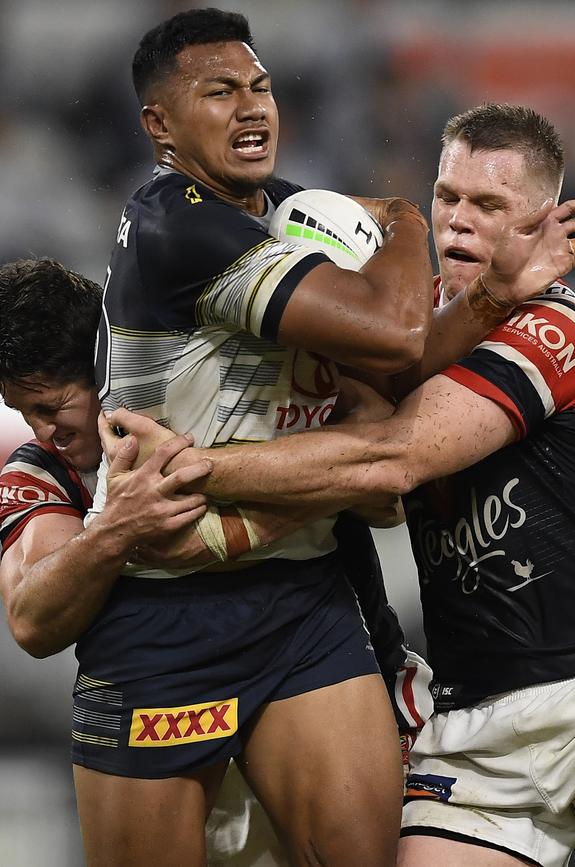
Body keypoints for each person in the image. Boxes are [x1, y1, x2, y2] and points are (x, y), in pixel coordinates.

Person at [86, 7, 575, 865]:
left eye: (260, 87)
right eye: (218, 92)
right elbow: (397, 332)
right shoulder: (176, 225)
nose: (252, 108)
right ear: (159, 125)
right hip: (167, 603)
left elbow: (397, 371)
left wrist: (494, 294)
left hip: (300, 595)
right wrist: (404, 215)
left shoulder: (282, 207)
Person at [0, 257, 433, 866]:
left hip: (306, 643)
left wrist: (244, 515)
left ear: (105, 369)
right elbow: (32, 621)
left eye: (51, 406)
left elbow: (384, 486)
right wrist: (116, 529)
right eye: (25, 414)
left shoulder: (238, 389)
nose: (43, 432)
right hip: (164, 687)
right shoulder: (39, 473)